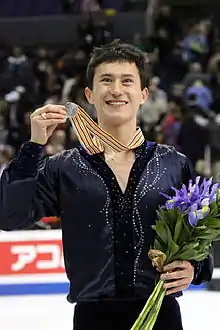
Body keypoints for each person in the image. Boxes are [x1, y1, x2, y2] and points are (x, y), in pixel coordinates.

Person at [0, 40, 213, 330]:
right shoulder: (64, 167)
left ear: (143, 94)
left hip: (161, 316)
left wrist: (194, 268)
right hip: (93, 319)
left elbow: (199, 240)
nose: (116, 90)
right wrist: (34, 145)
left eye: (127, 81)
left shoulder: (173, 163)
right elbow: (9, 216)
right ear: (90, 94)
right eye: (106, 80)